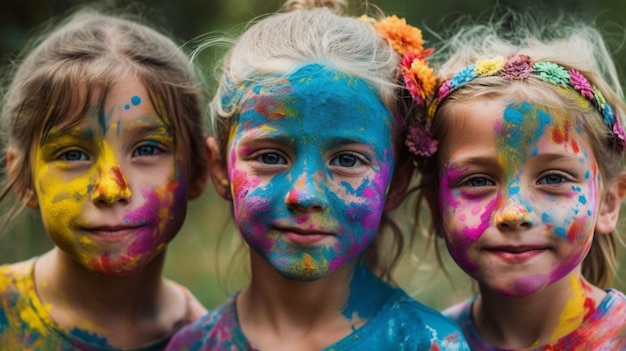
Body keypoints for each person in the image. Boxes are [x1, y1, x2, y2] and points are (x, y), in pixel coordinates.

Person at [166, 0, 470, 350]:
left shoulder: (426, 343)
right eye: (270, 156)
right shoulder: (192, 345)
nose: (305, 194)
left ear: (396, 183)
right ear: (219, 168)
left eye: (348, 160)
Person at [411, 10, 626, 350]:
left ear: (609, 201)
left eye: (553, 177)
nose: (513, 213)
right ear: (436, 209)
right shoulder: (426, 343)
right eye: (478, 181)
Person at [0, 6, 210, 350]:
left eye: (147, 149)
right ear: (23, 178)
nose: (111, 189)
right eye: (72, 154)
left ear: (200, 169)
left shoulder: (211, 342)